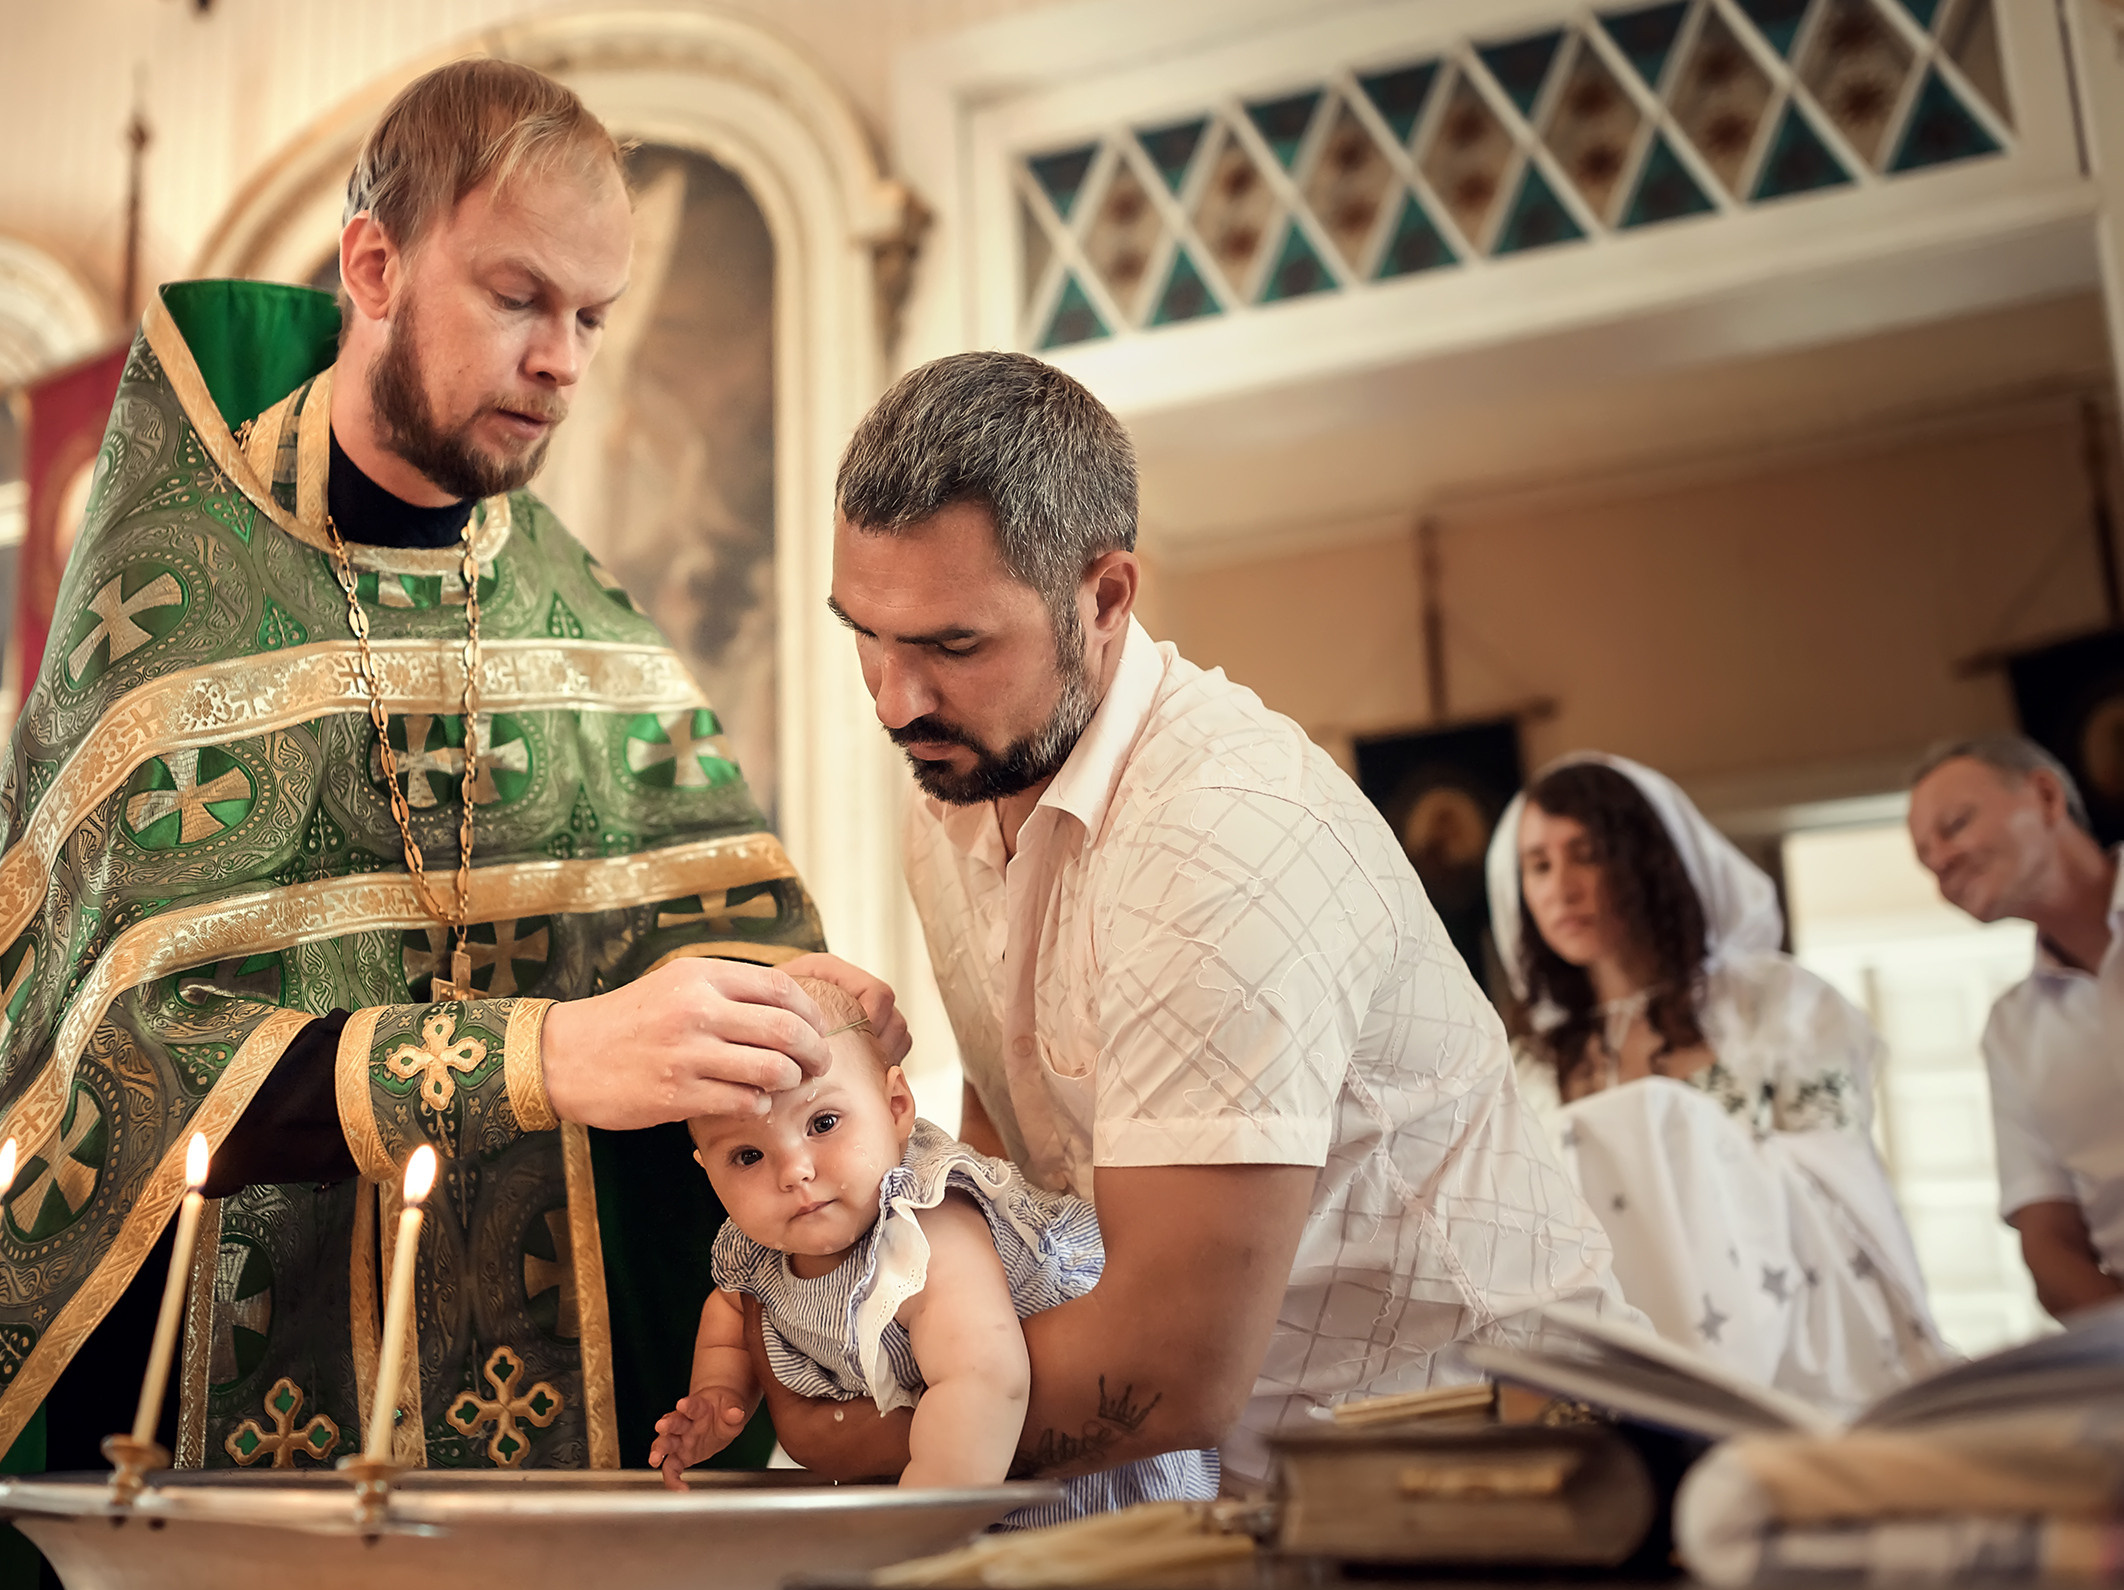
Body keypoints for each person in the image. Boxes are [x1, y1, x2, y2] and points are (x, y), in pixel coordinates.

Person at [0, 59, 900, 1590]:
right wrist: (541, 1052)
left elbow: (716, 944)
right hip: (223, 1442)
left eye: (595, 319)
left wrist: (794, 1006)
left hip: (554, 1453)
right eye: (517, 296)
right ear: (373, 268)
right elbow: (122, 1066)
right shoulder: (173, 585)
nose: (560, 363)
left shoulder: (574, 612)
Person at [773, 351, 1633, 1498]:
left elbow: (1170, 1367)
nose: (893, 699)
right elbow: (1013, 1149)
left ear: (1106, 596)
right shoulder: (955, 786)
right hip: (1250, 1494)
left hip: (1500, 1481)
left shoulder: (1220, 837)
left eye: (951, 645)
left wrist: (842, 1431)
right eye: (866, 634)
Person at [652, 976, 1216, 1525]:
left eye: (823, 1123)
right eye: (747, 1157)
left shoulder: (924, 1224)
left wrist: (914, 1531)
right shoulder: (757, 1249)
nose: (794, 1171)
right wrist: (718, 1395)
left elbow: (985, 1379)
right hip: (961, 1464)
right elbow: (729, 1313)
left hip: (1090, 1489)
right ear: (708, 1172)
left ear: (896, 1107)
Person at [1489, 755, 1952, 1409]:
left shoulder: (1773, 1005)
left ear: (1644, 861)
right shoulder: (1531, 1067)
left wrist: (1671, 1131)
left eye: (1586, 855)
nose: (1560, 887)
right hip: (1623, 1374)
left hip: (1795, 1341)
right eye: (1538, 864)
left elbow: (1839, 1183)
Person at [1907, 734, 2123, 1321]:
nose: (1941, 862)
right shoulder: (2011, 1031)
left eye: (1954, 826)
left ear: (2047, 797)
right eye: (1925, 857)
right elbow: (2048, 1244)